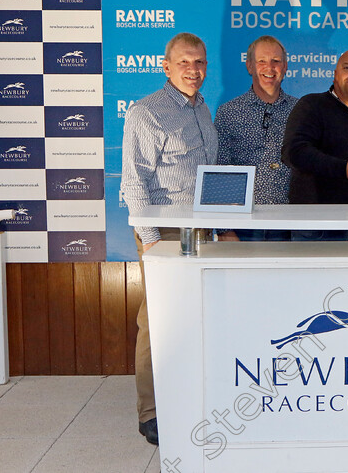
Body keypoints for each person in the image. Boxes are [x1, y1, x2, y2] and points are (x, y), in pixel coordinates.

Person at [120, 32, 218, 445]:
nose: (193, 70)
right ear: (166, 66)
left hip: (200, 232)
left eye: (199, 63)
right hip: (164, 234)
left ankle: (184, 396)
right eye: (184, 63)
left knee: (191, 318)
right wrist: (152, 241)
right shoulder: (147, 112)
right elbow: (135, 182)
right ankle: (151, 413)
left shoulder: (203, 108)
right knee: (156, 320)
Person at [281, 49, 348, 240]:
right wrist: (344, 169)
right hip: (314, 227)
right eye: (347, 68)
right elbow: (294, 152)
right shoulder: (311, 105)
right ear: (335, 75)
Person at [215, 36, 297, 241]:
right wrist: (224, 229)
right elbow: (221, 170)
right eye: (262, 61)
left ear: (285, 67)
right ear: (249, 66)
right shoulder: (229, 112)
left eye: (276, 61)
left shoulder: (301, 111)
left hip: (291, 224)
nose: (269, 67)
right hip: (243, 226)